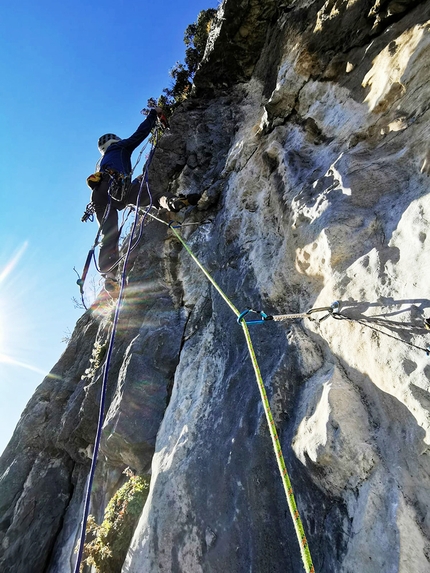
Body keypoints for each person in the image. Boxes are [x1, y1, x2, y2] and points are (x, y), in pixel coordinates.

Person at [87, 107, 198, 292]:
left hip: (100, 194)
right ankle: (171, 202)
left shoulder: (104, 161)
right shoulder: (119, 147)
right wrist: (154, 115)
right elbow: (139, 135)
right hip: (117, 188)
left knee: (109, 234)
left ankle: (110, 275)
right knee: (151, 196)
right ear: (114, 141)